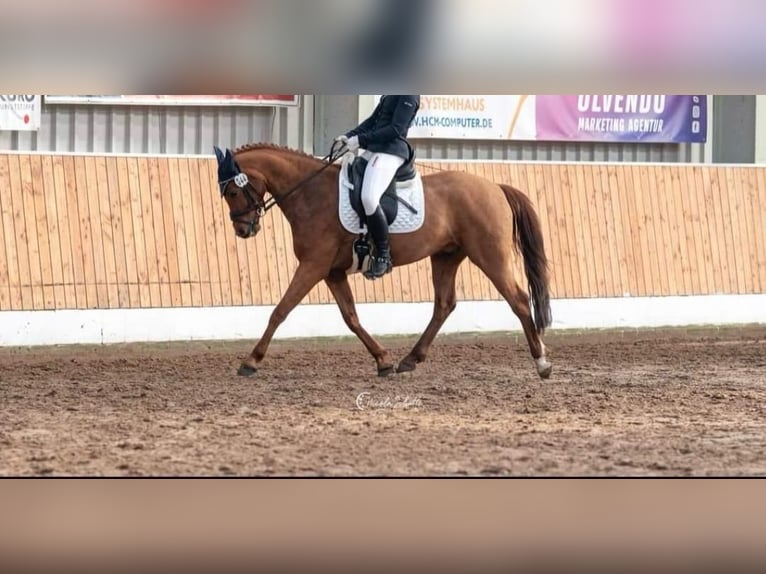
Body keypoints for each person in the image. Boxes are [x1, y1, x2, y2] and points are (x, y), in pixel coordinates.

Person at [336, 95, 421, 280]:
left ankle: (383, 254)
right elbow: (374, 120)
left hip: (392, 150)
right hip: (376, 149)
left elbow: (395, 129)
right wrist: (351, 135)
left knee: (369, 197)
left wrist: (361, 140)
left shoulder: (409, 94)